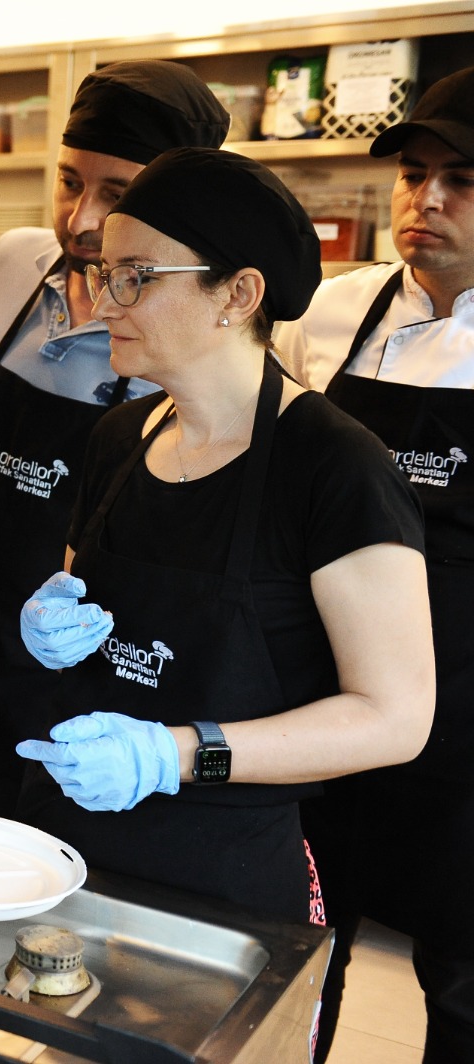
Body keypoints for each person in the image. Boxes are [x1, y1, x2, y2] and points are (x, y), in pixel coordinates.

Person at [12, 147, 434, 925]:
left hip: (221, 874)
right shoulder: (119, 437)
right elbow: (85, 598)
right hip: (66, 843)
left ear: (237, 294)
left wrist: (172, 754)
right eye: (107, 274)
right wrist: (53, 625)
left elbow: (395, 717)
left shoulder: (337, 467)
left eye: (136, 276)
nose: (107, 303)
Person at [0, 62, 232, 817]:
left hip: (59, 676)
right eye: (69, 182)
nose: (80, 221)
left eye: (117, 194)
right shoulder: (15, 263)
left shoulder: (188, 320)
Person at [277, 66, 474, 1064]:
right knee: (302, 952)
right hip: (327, 712)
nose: (424, 200)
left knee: (463, 981)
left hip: (465, 743)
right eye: (412, 171)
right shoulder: (333, 312)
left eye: (461, 179)